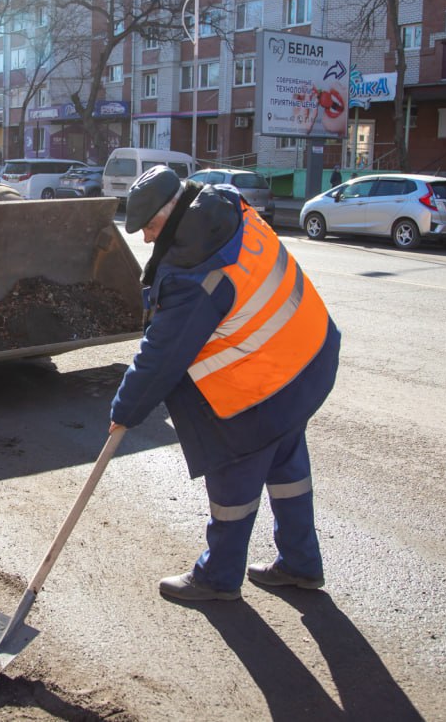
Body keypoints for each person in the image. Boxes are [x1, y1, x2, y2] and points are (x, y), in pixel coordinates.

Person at [110, 165, 341, 602]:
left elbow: (161, 357)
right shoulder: (230, 207)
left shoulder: (196, 272)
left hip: (265, 387)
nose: (147, 239)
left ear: (172, 210)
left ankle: (218, 577)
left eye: (152, 226)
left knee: (234, 474)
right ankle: (300, 563)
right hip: (310, 356)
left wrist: (124, 410)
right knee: (287, 464)